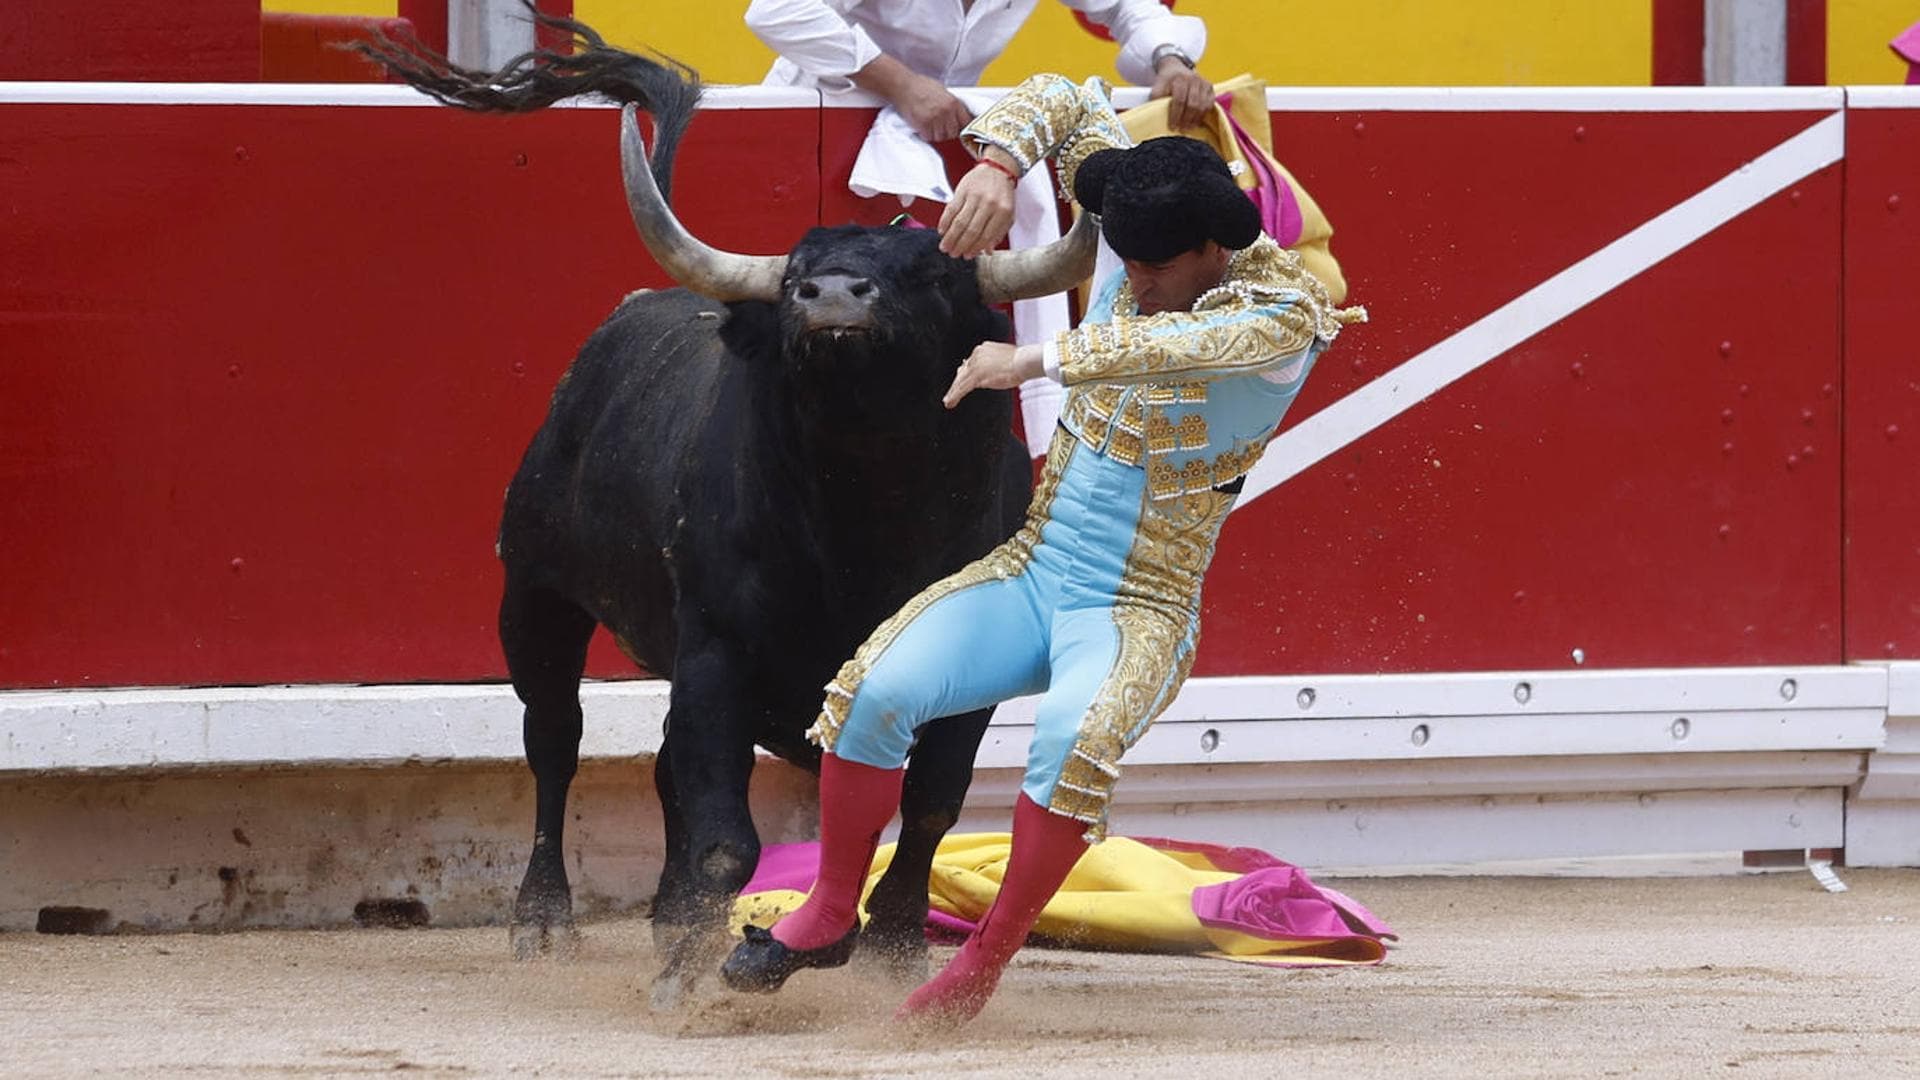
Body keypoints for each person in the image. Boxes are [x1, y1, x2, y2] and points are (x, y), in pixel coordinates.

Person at [719, 72, 1362, 1025]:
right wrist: (995, 161)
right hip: (1034, 568)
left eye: (1153, 267)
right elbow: (1063, 91)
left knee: (1073, 748)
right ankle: (824, 911)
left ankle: (981, 961)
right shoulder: (1140, 213)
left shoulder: (1285, 316)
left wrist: (1033, 357)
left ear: (1213, 250)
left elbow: (1184, 346)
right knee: (875, 688)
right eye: (1124, 260)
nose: (1129, 279)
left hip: (1139, 607)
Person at [743, 0, 1215, 141]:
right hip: (813, 126)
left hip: (932, 134)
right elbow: (777, 10)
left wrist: (1169, 59)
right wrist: (901, 84)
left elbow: (1129, 9)